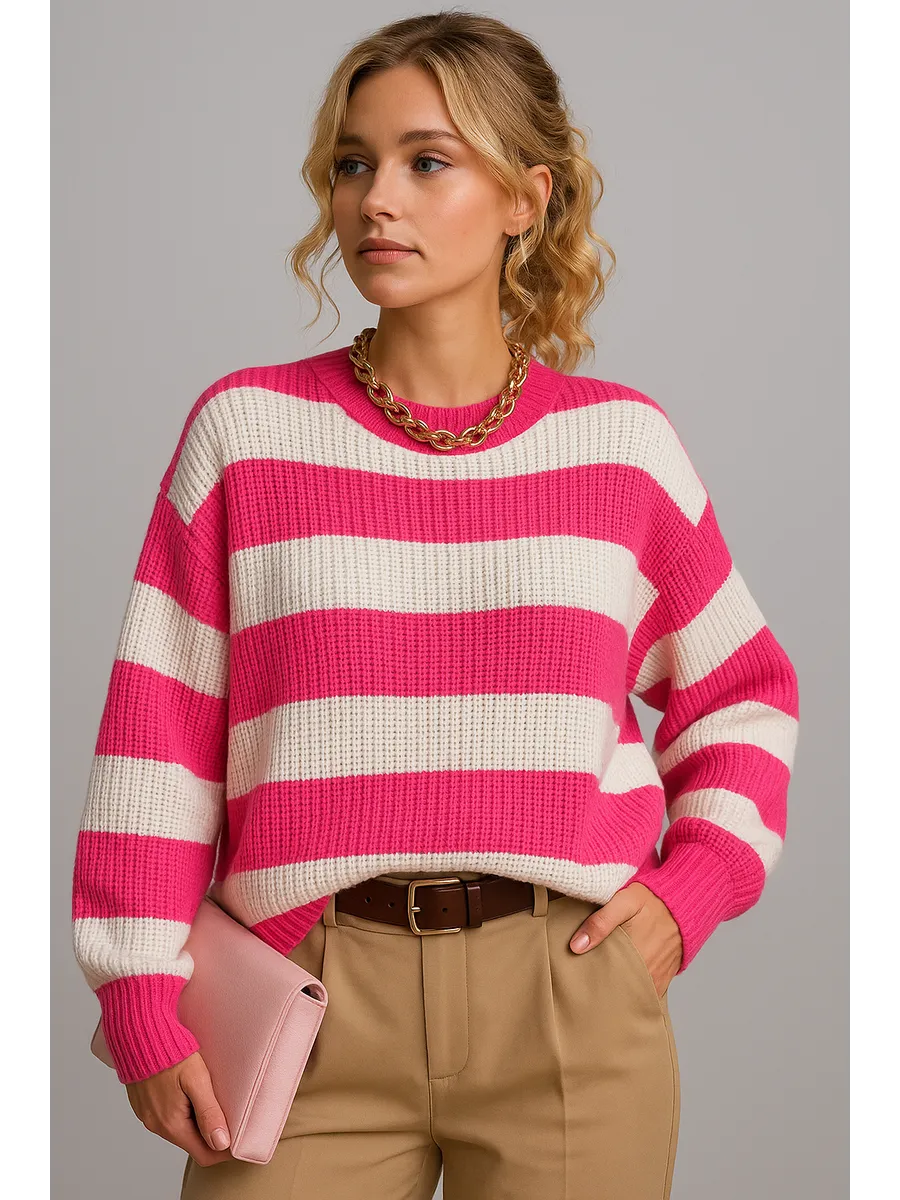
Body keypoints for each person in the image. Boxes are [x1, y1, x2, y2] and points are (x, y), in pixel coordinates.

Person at [70, 11, 800, 1199]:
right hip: (306, 996)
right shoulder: (248, 435)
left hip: (567, 998)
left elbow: (742, 698)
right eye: (353, 163)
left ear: (524, 197)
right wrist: (140, 996)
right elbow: (160, 736)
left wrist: (690, 894)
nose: (376, 200)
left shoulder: (621, 450)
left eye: (426, 161)